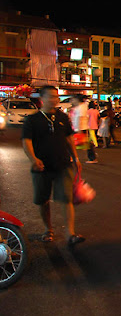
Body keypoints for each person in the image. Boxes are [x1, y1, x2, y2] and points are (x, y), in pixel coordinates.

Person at [22, 85, 85, 246]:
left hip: (62, 165)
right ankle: (48, 229)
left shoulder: (63, 117)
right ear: (42, 99)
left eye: (56, 96)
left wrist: (76, 158)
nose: (54, 100)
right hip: (41, 167)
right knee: (43, 200)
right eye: (50, 96)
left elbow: (69, 138)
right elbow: (26, 141)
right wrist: (33, 159)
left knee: (66, 198)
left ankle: (70, 233)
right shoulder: (33, 120)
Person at [70, 95, 97, 164]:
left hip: (80, 128)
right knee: (80, 143)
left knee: (83, 143)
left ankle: (92, 158)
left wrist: (79, 129)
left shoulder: (82, 107)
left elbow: (80, 118)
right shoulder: (79, 107)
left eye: (73, 99)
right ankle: (91, 157)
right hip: (78, 128)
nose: (72, 101)